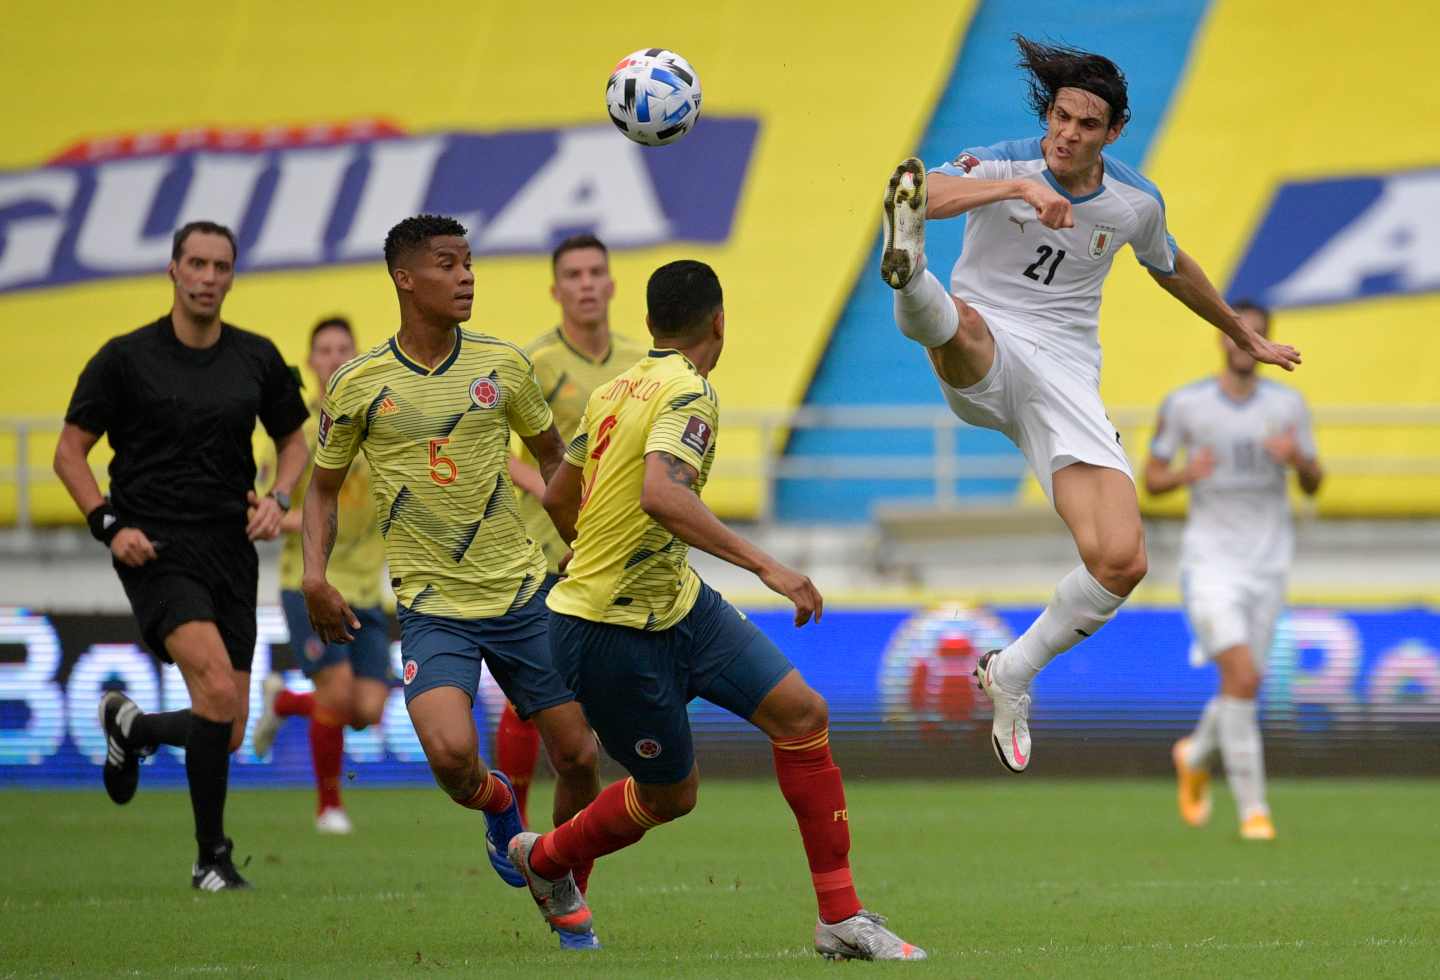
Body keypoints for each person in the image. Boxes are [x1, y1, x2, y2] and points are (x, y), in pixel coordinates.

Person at [879, 36, 1302, 772]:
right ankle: (910, 275)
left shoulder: (1134, 201)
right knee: (964, 326)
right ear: (1049, 115)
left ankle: (1010, 672)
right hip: (989, 339)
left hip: (1067, 375)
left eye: (1086, 125)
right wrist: (1017, 189)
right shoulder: (1007, 161)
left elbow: (1172, 267)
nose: (1067, 135)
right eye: (1061, 118)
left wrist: (1241, 332)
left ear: (1112, 133)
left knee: (1121, 560)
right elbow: (916, 185)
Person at [505, 260, 926, 962]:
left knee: (802, 715)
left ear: (649, 326)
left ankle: (841, 918)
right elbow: (663, 495)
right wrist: (771, 567)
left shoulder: (613, 389)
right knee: (670, 796)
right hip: (610, 629)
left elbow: (556, 495)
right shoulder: (690, 393)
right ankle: (546, 859)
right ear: (720, 321)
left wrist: (592, 544)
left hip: (676, 602)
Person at [300, 214, 602, 948]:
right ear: (406, 278)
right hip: (434, 606)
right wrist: (315, 576)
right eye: (447, 264)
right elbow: (319, 490)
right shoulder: (360, 384)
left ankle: (558, 882)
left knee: (582, 758)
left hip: (524, 593)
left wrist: (588, 553)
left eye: (469, 263)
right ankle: (502, 807)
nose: (466, 276)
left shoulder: (503, 366)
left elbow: (557, 463)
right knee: (452, 756)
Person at [53, 220, 310, 890]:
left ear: (232, 275)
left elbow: (294, 443)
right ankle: (212, 860)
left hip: (232, 547)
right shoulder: (125, 357)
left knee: (223, 729)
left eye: (220, 266)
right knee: (220, 692)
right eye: (195, 263)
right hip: (154, 546)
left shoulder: (256, 357)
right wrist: (108, 525)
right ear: (172, 270)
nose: (207, 277)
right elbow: (68, 453)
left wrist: (279, 497)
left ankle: (131, 725)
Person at [1146, 301, 1323, 840]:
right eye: (1240, 333)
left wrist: (1298, 460)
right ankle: (1254, 810)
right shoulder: (1186, 405)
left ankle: (1195, 752)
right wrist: (1184, 475)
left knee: (1243, 682)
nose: (1248, 344)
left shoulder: (1288, 407)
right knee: (1245, 677)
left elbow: (1315, 482)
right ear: (1224, 339)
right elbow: (1151, 480)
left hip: (1268, 563)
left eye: (1260, 335)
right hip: (1210, 562)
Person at [497, 233, 648, 824]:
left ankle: (567, 845)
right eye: (574, 275)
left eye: (595, 273)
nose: (586, 284)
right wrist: (558, 496)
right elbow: (504, 454)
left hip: (613, 554)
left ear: (611, 284)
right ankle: (513, 819)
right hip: (544, 552)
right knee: (537, 694)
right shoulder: (533, 364)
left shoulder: (642, 363)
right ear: (556, 289)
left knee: (580, 707)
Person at [252, 316, 390, 835]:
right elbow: (267, 513)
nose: (333, 359)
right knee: (335, 696)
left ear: (356, 358)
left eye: (342, 350)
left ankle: (283, 702)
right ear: (311, 362)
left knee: (367, 711)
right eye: (324, 350)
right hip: (308, 585)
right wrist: (300, 518)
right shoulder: (298, 438)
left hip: (367, 590)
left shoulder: (379, 430)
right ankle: (328, 807)